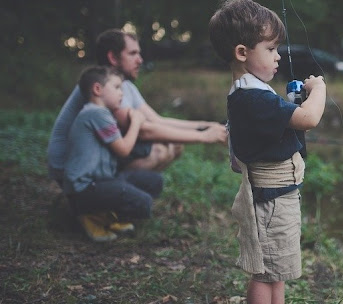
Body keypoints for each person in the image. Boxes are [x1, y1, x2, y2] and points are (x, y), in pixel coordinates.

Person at [209, 1, 326, 304]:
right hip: (270, 200)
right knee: (264, 272)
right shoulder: (250, 98)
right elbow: (308, 119)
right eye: (271, 48)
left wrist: (294, 100)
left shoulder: (256, 93)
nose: (278, 56)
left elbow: (284, 123)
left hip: (281, 196)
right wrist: (318, 91)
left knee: (278, 266)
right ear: (243, 52)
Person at [47, 28, 228, 183]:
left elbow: (157, 120)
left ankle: (121, 198)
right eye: (132, 53)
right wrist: (204, 137)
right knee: (159, 150)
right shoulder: (104, 90)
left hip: (95, 158)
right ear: (112, 57)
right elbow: (145, 130)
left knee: (174, 145)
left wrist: (206, 125)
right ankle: (105, 204)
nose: (140, 60)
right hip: (69, 168)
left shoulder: (124, 85)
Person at [64, 65, 163, 242]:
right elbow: (124, 150)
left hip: (102, 181)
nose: (121, 93)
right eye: (117, 87)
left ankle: (104, 214)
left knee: (155, 181)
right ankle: (90, 216)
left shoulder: (100, 113)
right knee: (144, 203)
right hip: (84, 189)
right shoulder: (96, 113)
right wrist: (137, 122)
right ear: (97, 89)